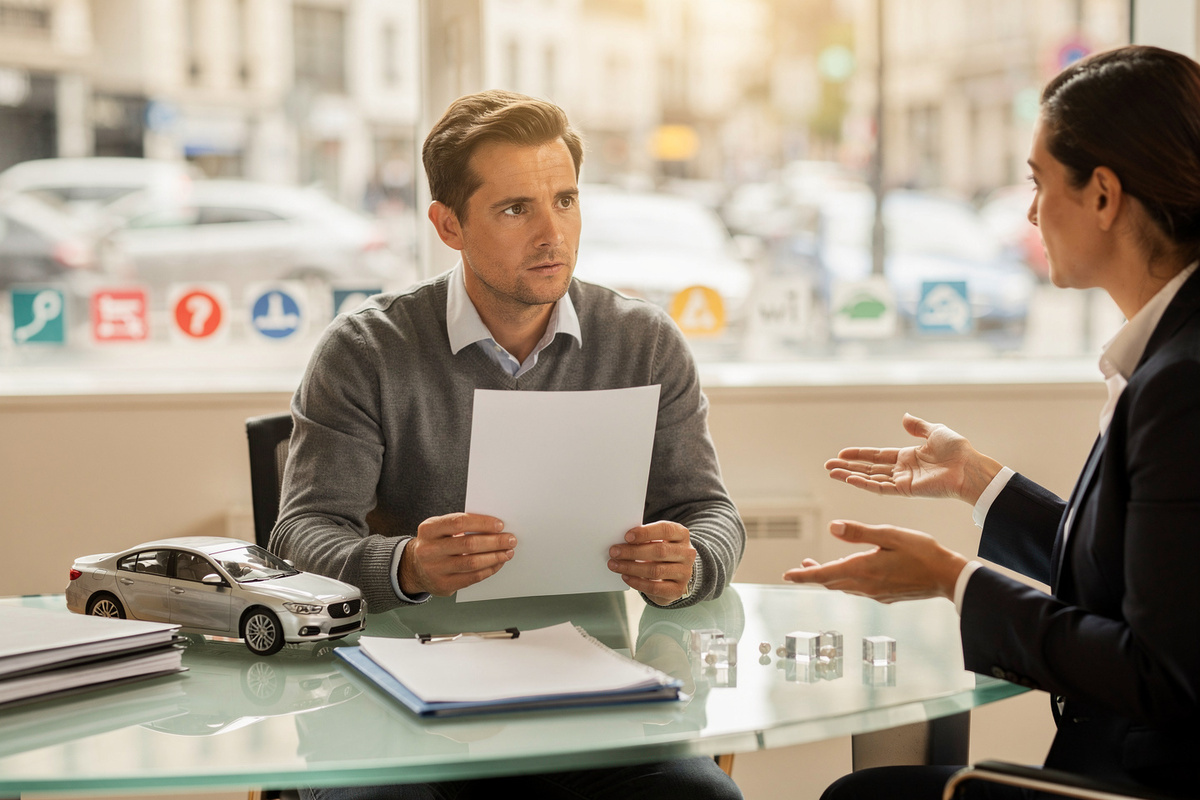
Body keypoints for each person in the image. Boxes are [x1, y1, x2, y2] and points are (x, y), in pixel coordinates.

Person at [272, 89, 745, 799]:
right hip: (401, 707)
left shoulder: (644, 344)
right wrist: (407, 565)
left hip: (590, 705)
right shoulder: (365, 351)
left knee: (704, 798)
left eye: (565, 200)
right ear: (448, 224)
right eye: (516, 208)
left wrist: (692, 560)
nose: (552, 232)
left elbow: (711, 512)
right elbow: (297, 538)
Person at [785, 45, 1200, 799]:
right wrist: (978, 481)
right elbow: (1140, 580)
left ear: (1103, 196)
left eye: (1040, 184)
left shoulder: (1184, 382)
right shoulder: (1169, 350)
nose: (1029, 211)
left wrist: (954, 580)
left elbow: (1161, 674)